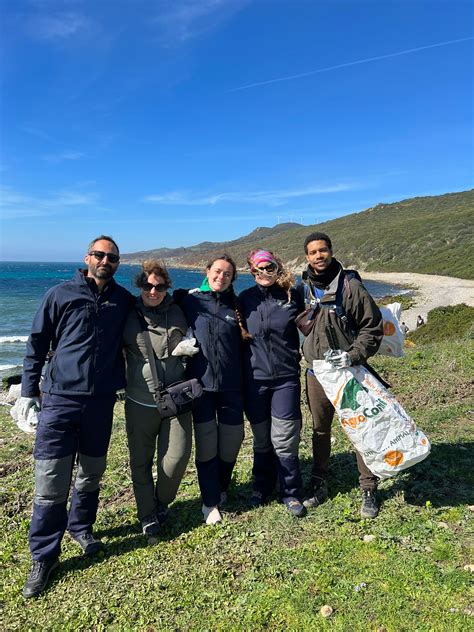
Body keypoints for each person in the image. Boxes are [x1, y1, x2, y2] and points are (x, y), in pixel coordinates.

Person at [19, 236, 132, 598]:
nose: (104, 260)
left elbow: (152, 306)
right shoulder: (60, 294)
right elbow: (37, 343)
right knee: (51, 478)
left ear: (117, 263)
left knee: (92, 472)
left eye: (111, 257)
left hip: (100, 402)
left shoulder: (123, 300)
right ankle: (44, 556)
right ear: (87, 258)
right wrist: (27, 391)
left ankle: (81, 527)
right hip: (59, 399)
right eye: (98, 255)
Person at [297, 232, 384, 519]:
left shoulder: (351, 286)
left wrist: (353, 355)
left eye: (323, 250)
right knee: (320, 430)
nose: (318, 256)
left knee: (359, 427)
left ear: (332, 252)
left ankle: (369, 487)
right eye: (313, 252)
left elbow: (372, 328)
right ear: (307, 256)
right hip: (316, 373)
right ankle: (319, 481)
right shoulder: (303, 288)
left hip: (348, 371)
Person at [175, 255, 247, 525]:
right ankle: (209, 503)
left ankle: (222, 487)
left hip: (231, 387)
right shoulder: (189, 300)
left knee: (231, 442)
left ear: (232, 278)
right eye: (217, 271)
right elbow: (157, 309)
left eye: (227, 274)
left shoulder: (237, 305)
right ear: (207, 272)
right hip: (200, 387)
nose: (221, 277)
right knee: (207, 445)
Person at [122, 260, 193, 536]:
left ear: (167, 287)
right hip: (139, 401)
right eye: (148, 285)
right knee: (140, 461)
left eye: (160, 286)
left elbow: (205, 292)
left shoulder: (179, 310)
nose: (153, 291)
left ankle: (162, 501)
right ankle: (147, 513)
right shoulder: (126, 313)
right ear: (139, 285)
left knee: (176, 457)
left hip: (176, 399)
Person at [239, 250, 306, 517]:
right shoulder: (243, 300)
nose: (264, 273)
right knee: (261, 438)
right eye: (258, 269)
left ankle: (290, 492)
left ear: (277, 267)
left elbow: (316, 320)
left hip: (285, 379)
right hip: (254, 380)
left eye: (269, 267)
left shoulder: (292, 296)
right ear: (251, 272)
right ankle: (262, 486)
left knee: (285, 438)